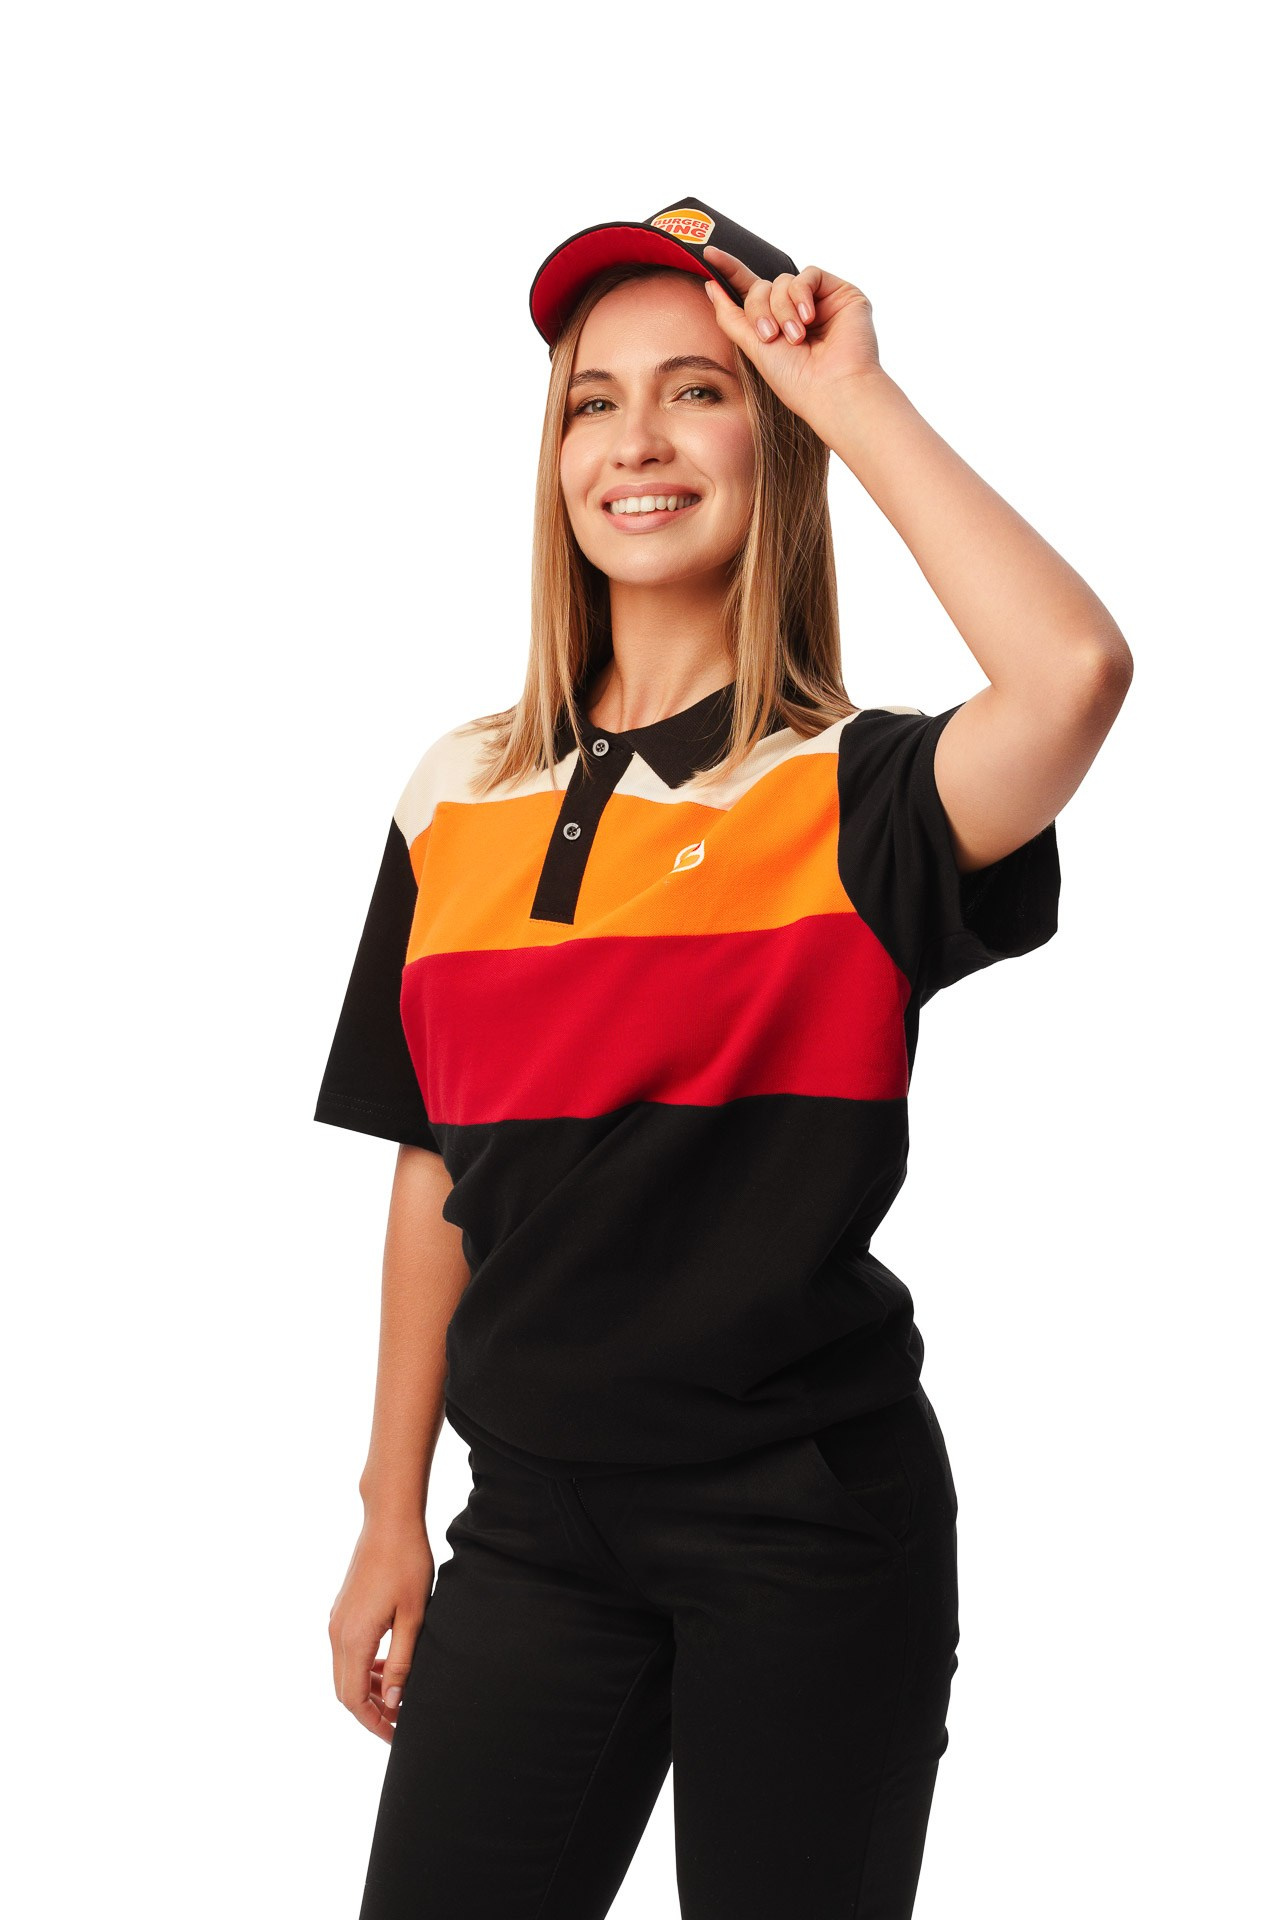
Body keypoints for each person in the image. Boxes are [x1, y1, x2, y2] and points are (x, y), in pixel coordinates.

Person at [315, 195, 1132, 1919]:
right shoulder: (453, 794)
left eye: (697, 391)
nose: (637, 441)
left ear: (773, 442)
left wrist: (855, 397)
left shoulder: (862, 798)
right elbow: (435, 1168)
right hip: (532, 1529)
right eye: (591, 401)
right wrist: (394, 1508)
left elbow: (1070, 672)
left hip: (806, 1527)